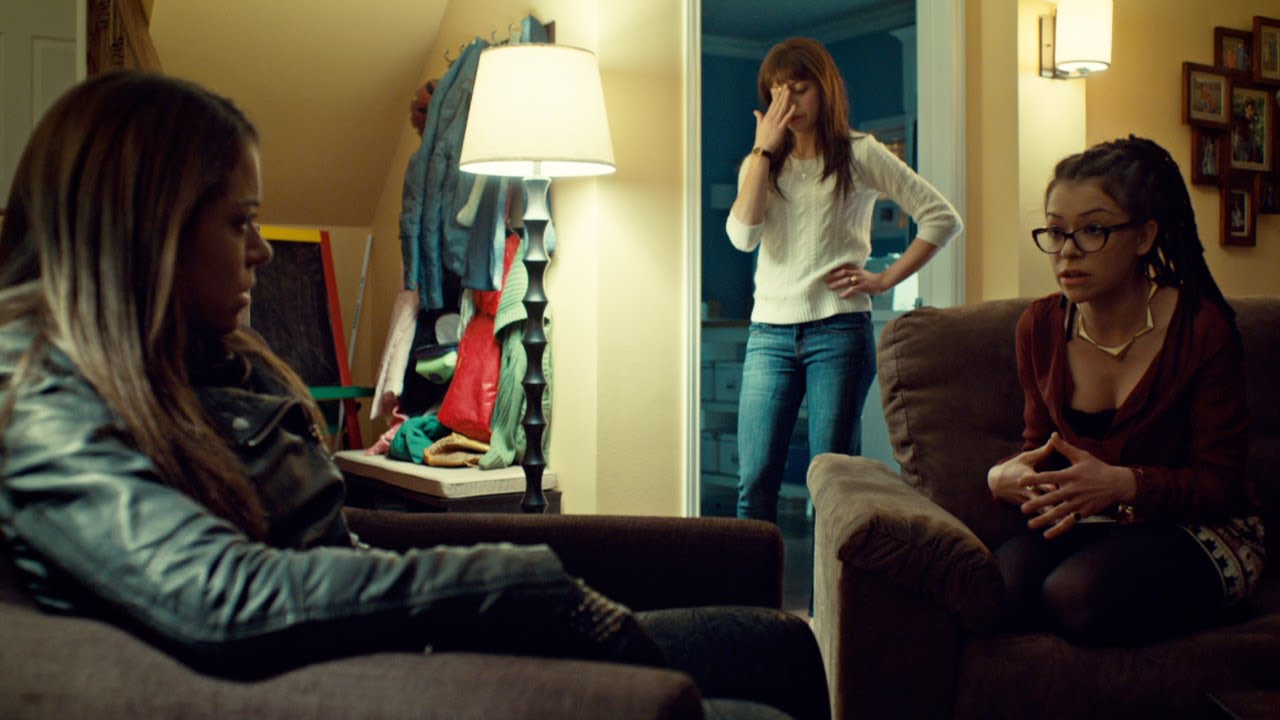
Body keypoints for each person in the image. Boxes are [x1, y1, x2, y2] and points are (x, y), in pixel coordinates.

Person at [0, 71, 828, 720]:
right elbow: (221, 595)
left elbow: (324, 546)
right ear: (147, 227)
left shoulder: (192, 355)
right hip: (376, 677)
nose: (261, 249)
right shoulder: (37, 390)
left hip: (395, 631)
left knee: (781, 646)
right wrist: (514, 584)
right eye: (240, 220)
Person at [986, 136, 1265, 646]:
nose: (1068, 251)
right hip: (1095, 522)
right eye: (1056, 231)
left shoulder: (1200, 329)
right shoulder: (1040, 327)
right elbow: (1040, 450)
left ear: (1143, 237)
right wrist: (1003, 477)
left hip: (1200, 527)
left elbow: (1222, 483)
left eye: (1093, 229)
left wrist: (1126, 484)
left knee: (1075, 594)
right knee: (998, 588)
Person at [726, 38, 962, 522]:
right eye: (776, 92)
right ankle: (755, 579)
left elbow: (942, 218)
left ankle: (830, 579)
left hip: (838, 333)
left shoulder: (860, 153)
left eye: (799, 89)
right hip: (768, 334)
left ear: (824, 89)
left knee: (832, 487)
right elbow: (743, 238)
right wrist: (762, 151)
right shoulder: (760, 163)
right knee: (754, 482)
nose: (787, 103)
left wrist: (884, 280)